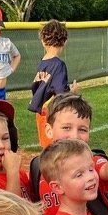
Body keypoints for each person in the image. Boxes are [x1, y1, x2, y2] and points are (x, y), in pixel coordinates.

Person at [29, 19, 77, 147]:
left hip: (41, 111)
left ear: (43, 41)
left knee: (46, 146)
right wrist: (73, 91)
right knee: (56, 147)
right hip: (52, 112)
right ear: (65, 41)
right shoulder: (58, 65)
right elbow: (61, 93)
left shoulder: (42, 63)